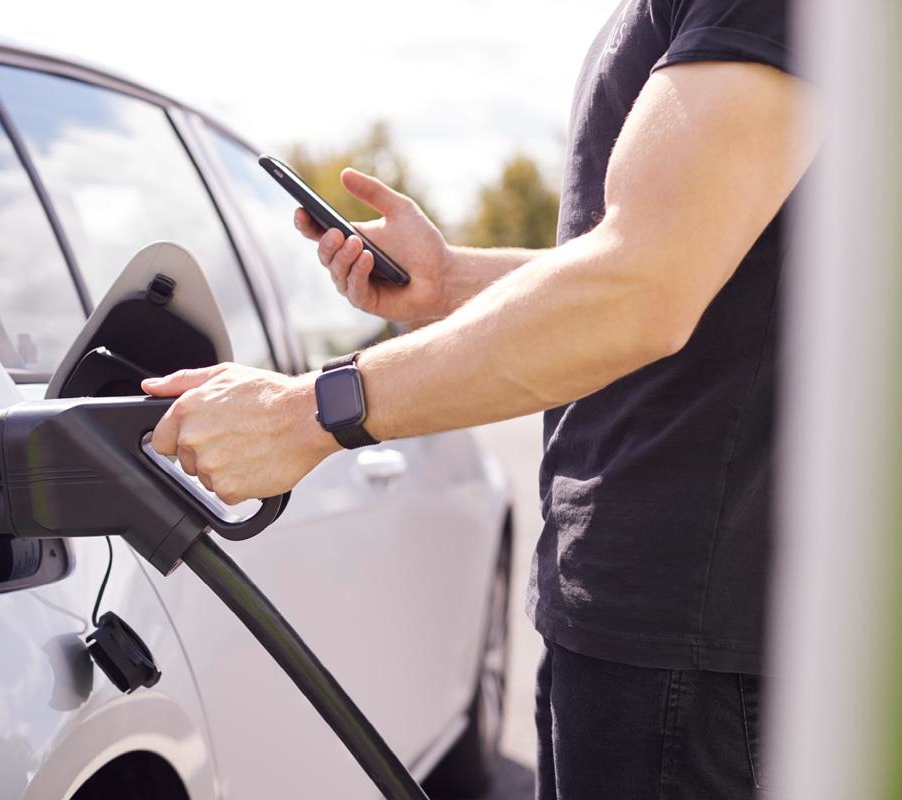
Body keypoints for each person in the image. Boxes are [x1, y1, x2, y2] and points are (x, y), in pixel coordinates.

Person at [143, 0, 817, 796]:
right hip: (617, 612)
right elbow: (666, 254)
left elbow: (641, 287)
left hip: (689, 636)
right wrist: (450, 281)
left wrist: (308, 412)